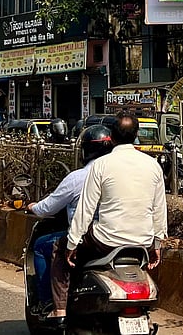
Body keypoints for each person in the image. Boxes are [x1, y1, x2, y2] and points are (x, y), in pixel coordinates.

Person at [56, 111, 167, 324]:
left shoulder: (101, 165)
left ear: (112, 138)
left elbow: (85, 210)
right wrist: (157, 245)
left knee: (57, 249)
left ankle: (60, 311)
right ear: (135, 136)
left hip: (106, 241)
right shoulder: (153, 165)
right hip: (142, 243)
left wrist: (71, 244)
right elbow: (159, 210)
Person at [27, 125, 114, 317]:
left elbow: (48, 208)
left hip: (93, 237)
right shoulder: (121, 175)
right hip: (127, 236)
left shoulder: (79, 177)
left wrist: (32, 207)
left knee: (44, 246)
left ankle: (51, 304)